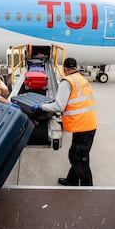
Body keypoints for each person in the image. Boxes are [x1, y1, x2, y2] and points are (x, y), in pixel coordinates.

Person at [32, 57, 97, 186]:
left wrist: (41, 106)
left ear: (65, 69)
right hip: (87, 123)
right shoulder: (81, 79)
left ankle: (88, 187)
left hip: (82, 125)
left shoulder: (67, 82)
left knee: (78, 158)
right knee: (78, 155)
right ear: (75, 67)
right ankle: (72, 180)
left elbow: (59, 106)